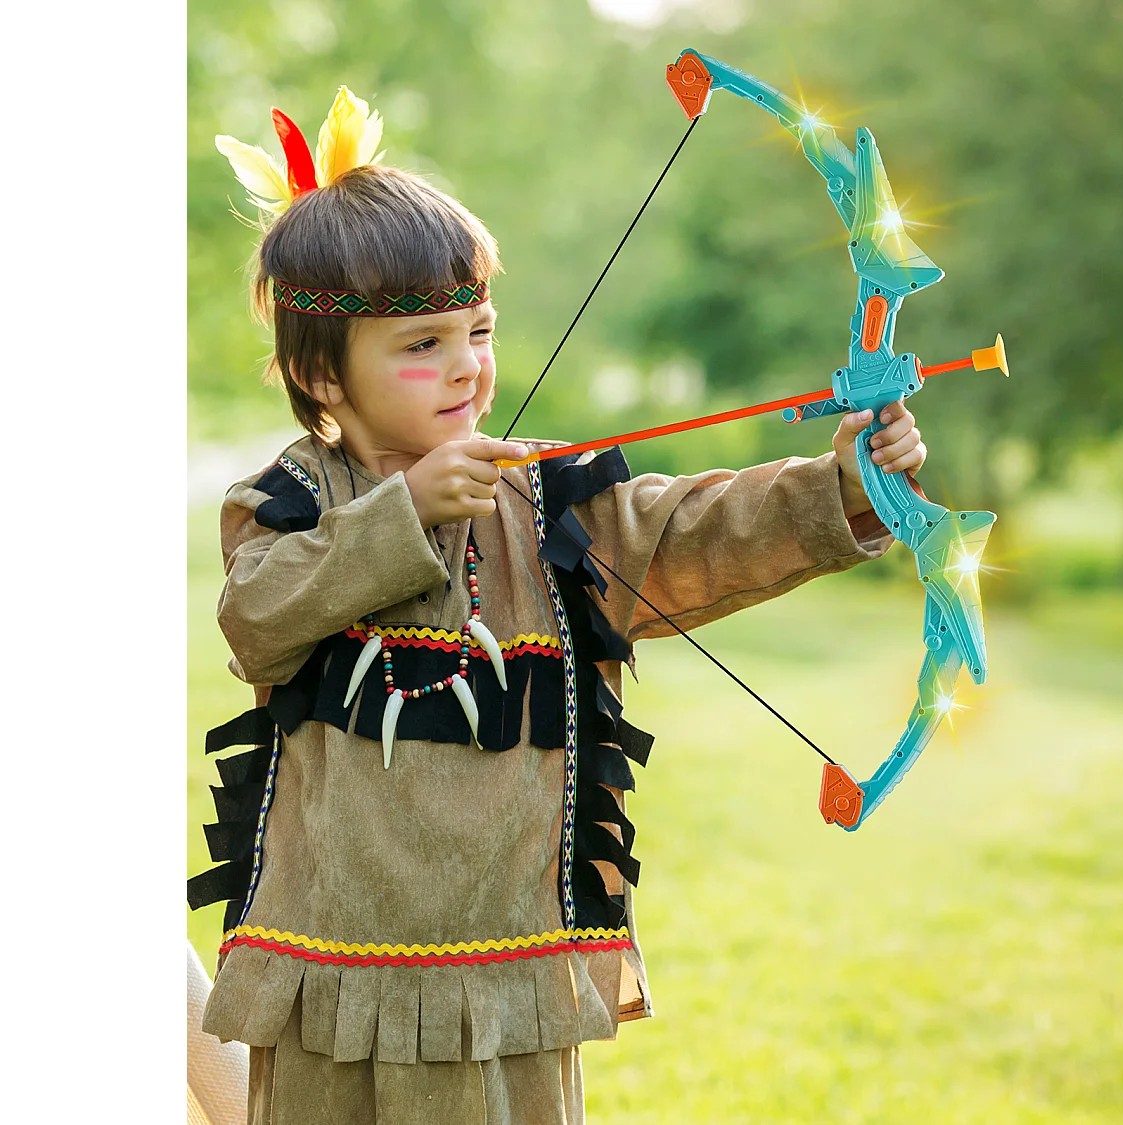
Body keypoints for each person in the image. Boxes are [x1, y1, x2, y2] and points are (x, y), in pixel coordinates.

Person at [188, 87, 928, 1124]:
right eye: (420, 346)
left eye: (477, 330)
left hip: (513, 972)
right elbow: (255, 617)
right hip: (337, 976)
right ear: (324, 375)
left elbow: (692, 530)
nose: (466, 367)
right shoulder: (291, 505)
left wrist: (845, 483)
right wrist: (405, 512)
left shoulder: (548, 500)